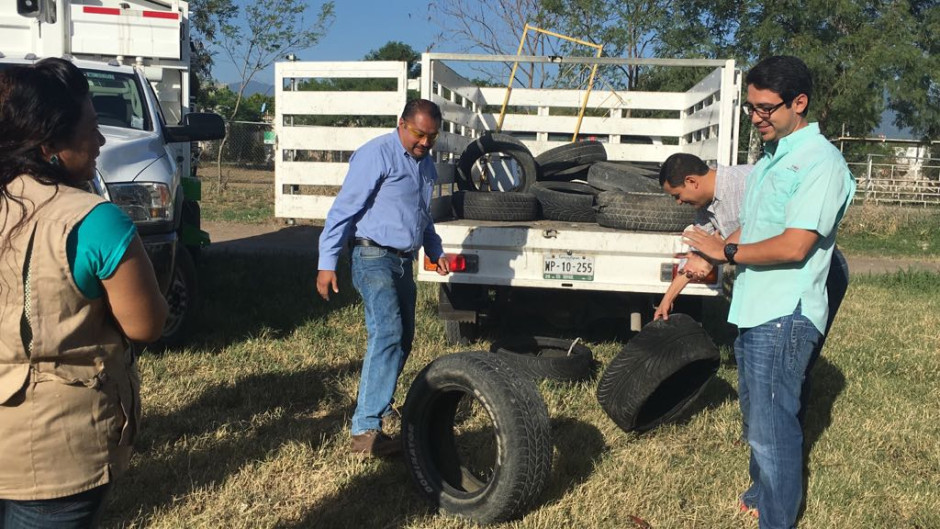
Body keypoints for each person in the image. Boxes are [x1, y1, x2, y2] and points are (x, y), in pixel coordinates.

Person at [683, 55, 856, 529]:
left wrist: (728, 253)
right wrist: (713, 253)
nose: (757, 117)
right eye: (751, 109)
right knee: (756, 413)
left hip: (786, 312)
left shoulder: (820, 162)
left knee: (772, 426)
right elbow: (754, 224)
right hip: (755, 306)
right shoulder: (771, 158)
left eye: (766, 109)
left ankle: (776, 520)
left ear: (799, 103)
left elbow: (795, 245)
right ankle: (762, 490)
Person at [0, 58, 168, 527]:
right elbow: (147, 324)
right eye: (91, 127)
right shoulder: (95, 219)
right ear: (49, 143)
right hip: (56, 455)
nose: (99, 141)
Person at [317, 99, 450, 457]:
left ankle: (378, 401)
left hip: (403, 261)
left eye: (432, 137)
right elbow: (344, 210)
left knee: (404, 337)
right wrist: (326, 262)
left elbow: (422, 215)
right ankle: (365, 430)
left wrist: (434, 250)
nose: (424, 143)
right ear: (401, 124)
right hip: (372, 254)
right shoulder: (376, 154)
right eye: (419, 134)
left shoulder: (425, 165)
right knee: (388, 332)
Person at [653, 153, 751, 321]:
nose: (678, 202)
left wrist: (722, 250)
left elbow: (764, 226)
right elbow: (697, 257)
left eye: (677, 195)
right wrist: (667, 300)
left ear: (691, 181)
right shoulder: (705, 206)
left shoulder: (747, 181)